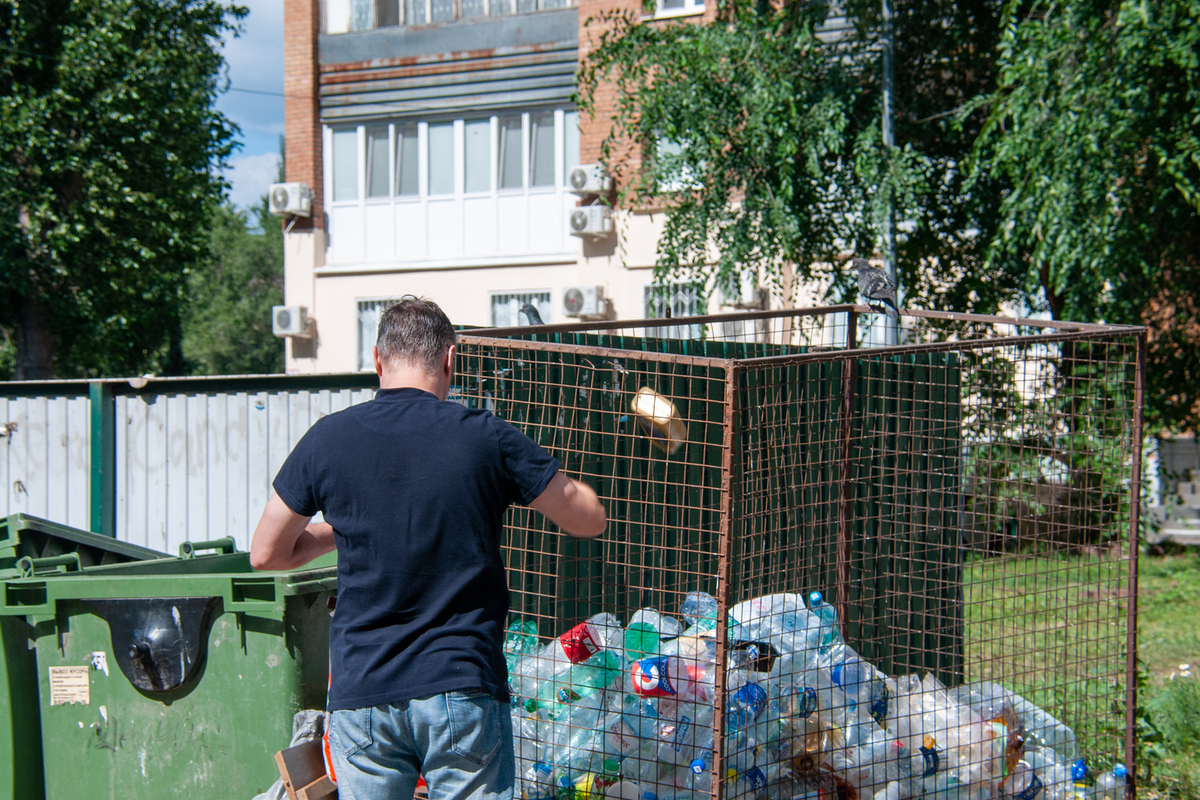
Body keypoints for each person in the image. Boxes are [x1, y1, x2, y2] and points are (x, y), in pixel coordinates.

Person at [249, 297, 606, 800]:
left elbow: (266, 554)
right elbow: (586, 519)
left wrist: (345, 528)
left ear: (377, 360)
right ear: (450, 359)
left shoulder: (327, 439)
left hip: (362, 695)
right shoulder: (486, 437)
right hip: (459, 683)